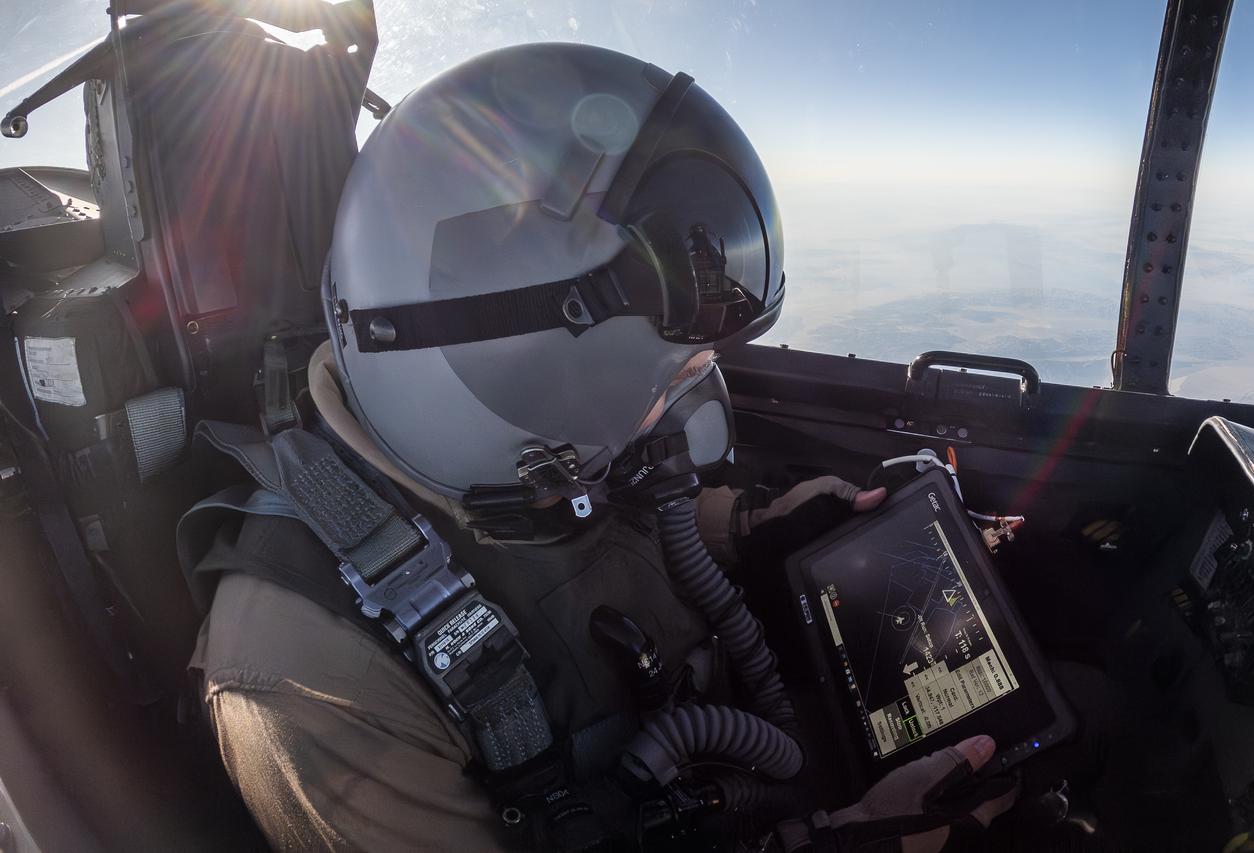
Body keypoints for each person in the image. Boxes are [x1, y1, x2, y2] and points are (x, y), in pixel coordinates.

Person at [183, 43, 1018, 851]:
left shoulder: (530, 438)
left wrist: (759, 527)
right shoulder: (306, 678)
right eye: (655, 384)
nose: (665, 412)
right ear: (520, 365)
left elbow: (622, 508)